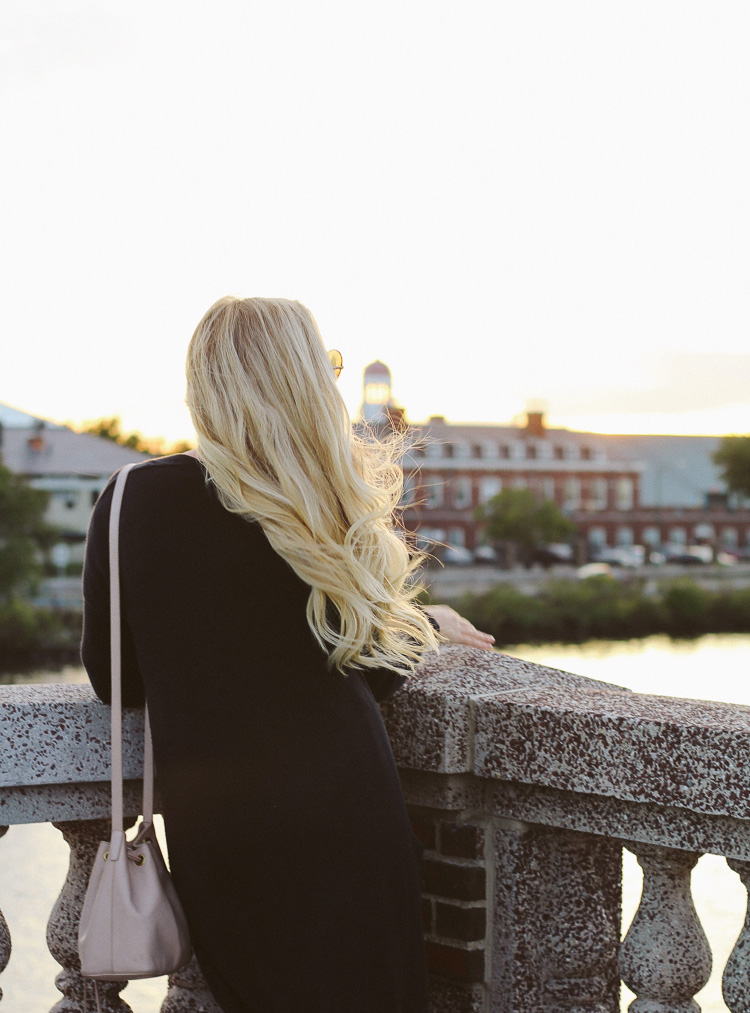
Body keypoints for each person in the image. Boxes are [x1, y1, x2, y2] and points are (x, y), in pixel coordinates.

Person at [81, 295, 494, 1013]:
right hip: (351, 819)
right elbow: (370, 672)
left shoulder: (132, 498)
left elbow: (116, 677)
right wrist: (419, 625)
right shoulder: (323, 498)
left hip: (226, 835)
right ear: (308, 381)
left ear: (202, 383)